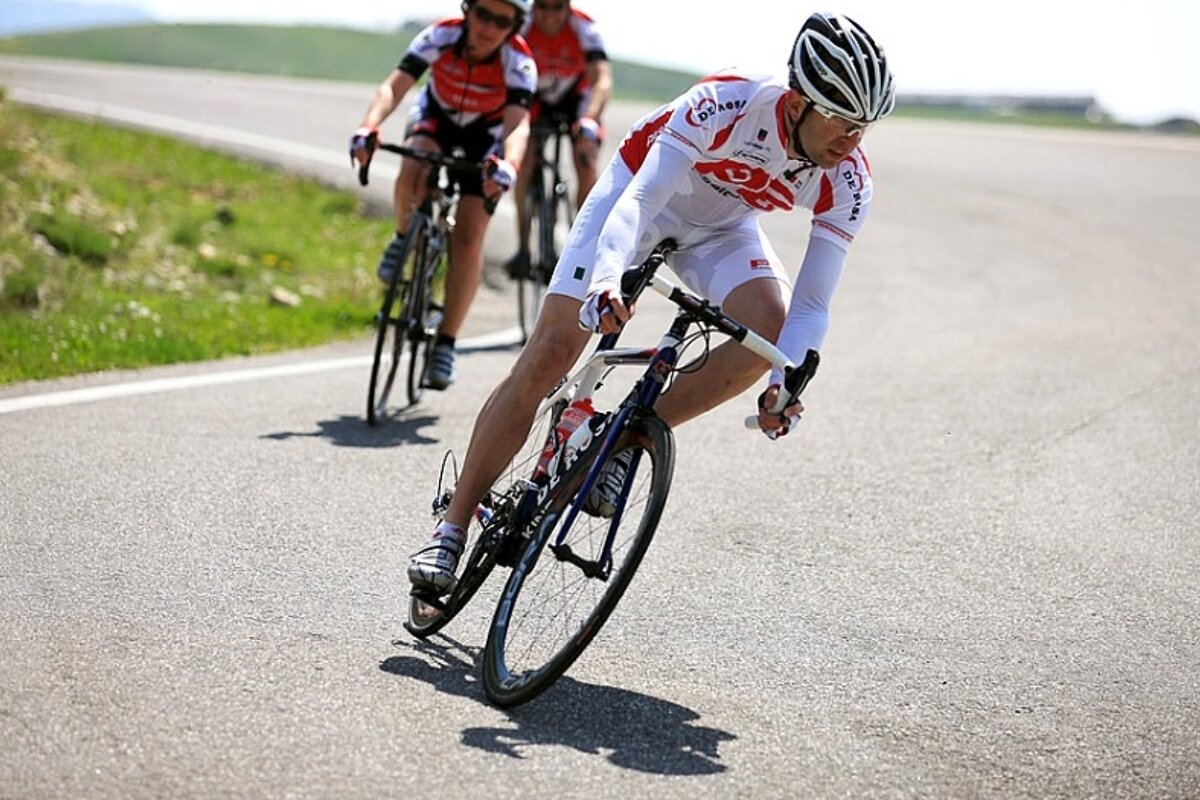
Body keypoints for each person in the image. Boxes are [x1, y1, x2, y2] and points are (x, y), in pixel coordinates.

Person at [408, 12, 896, 592]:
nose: (851, 140)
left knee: (769, 332)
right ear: (796, 103)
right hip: (640, 198)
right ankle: (453, 526)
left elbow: (813, 305)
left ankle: (628, 435)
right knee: (555, 349)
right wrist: (607, 280)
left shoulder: (849, 180)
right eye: (841, 121)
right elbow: (638, 200)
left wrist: (787, 383)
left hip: (722, 229)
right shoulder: (728, 102)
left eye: (864, 127)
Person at [349, 0, 538, 390]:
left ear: (514, 26)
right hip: (436, 117)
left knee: (469, 237)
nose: (488, 27)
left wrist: (510, 166)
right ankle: (403, 238)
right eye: (483, 14)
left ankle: (446, 343)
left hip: (484, 136)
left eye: (501, 21)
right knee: (415, 166)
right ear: (468, 11)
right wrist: (369, 127)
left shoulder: (517, 60)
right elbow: (395, 84)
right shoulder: (442, 34)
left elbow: (518, 125)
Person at [504, 0, 613, 277]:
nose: (549, 15)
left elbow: (602, 78)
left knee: (586, 160)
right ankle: (523, 249)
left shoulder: (585, 27)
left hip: (574, 97)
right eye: (542, 7)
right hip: (535, 95)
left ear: (567, 8)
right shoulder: (523, 24)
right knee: (524, 160)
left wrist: (588, 120)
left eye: (557, 8)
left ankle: (585, 247)